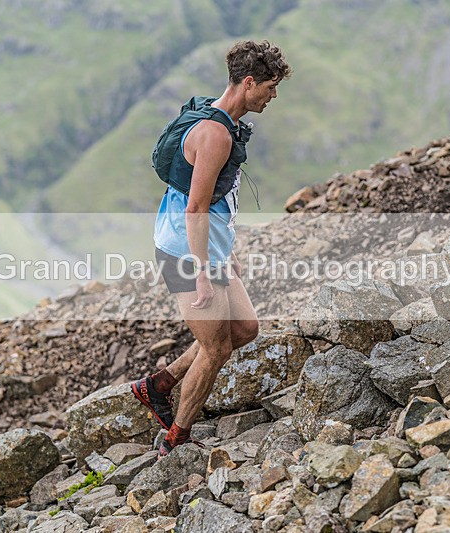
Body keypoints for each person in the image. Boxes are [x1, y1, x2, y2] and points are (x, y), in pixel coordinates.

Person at [131, 40, 292, 459]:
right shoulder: (215, 133)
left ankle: (159, 384)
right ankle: (177, 440)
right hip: (185, 254)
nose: (273, 96)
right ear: (250, 82)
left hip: (207, 246)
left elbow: (218, 200)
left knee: (244, 329)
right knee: (217, 348)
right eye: (271, 87)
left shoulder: (216, 116)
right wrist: (203, 270)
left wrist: (226, 250)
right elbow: (196, 207)